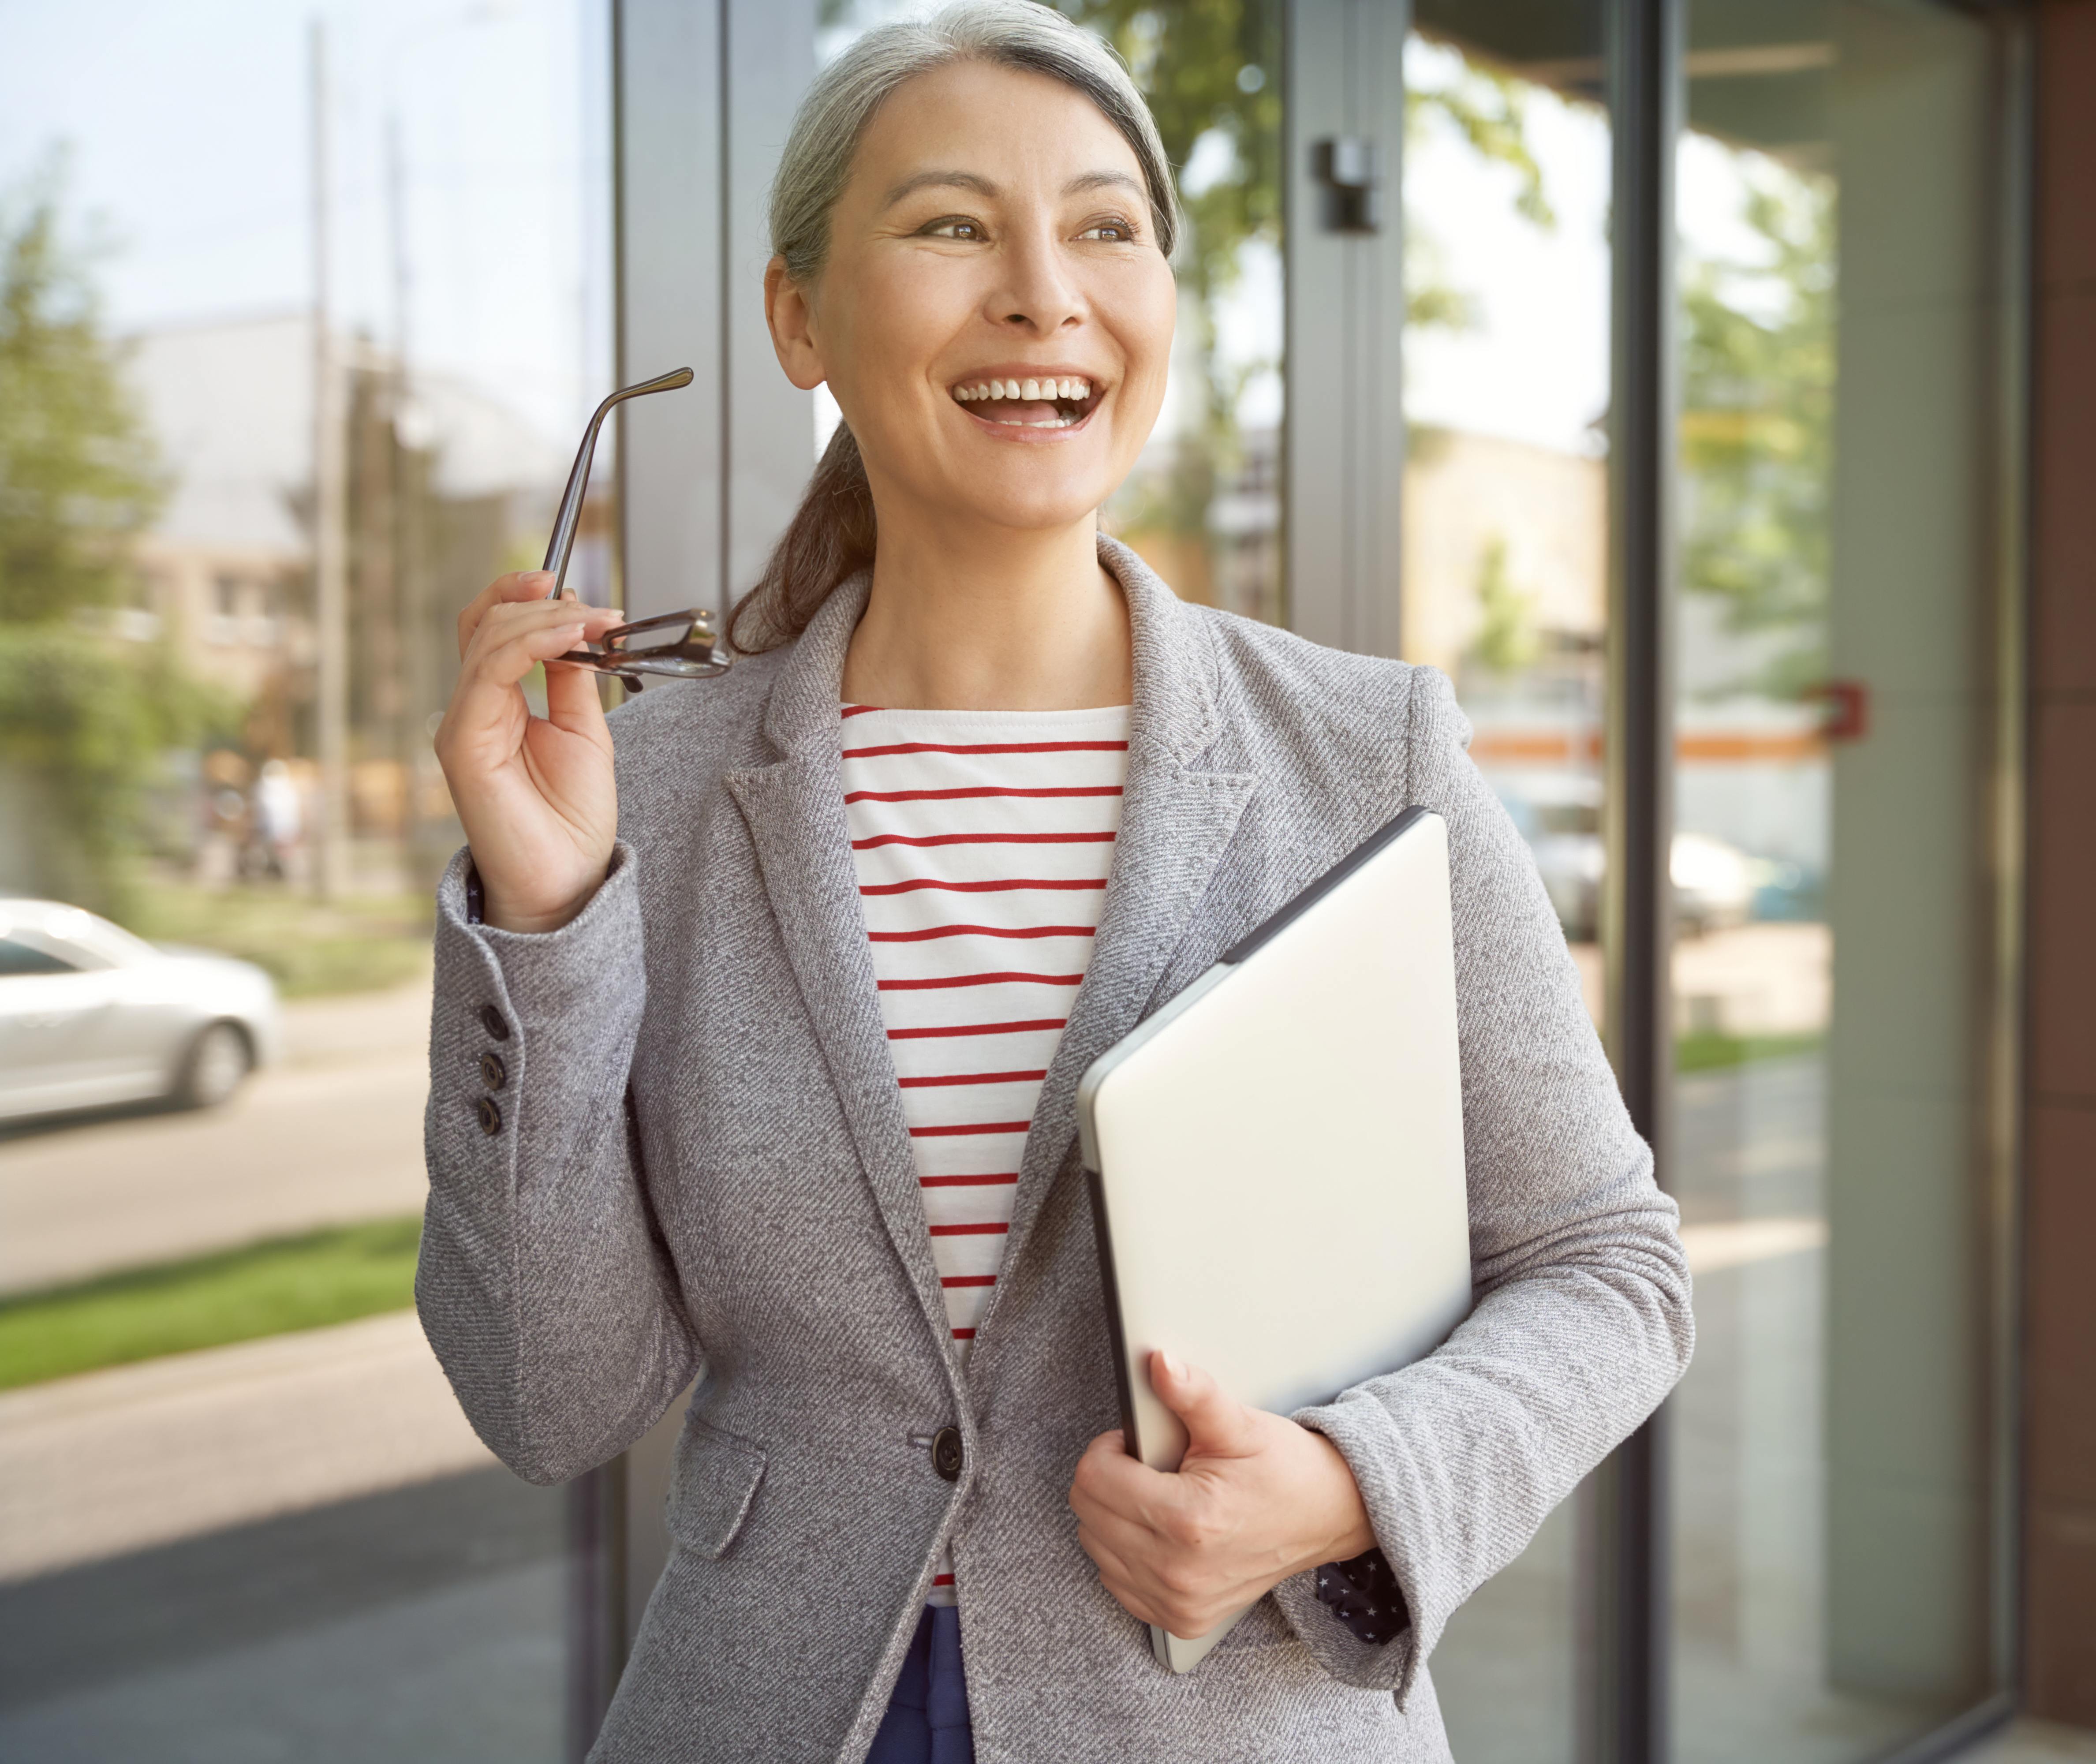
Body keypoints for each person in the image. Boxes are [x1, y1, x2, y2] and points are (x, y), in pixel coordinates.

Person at [420, 5, 1689, 1759]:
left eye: (1105, 227)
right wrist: (547, 923)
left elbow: (1609, 1266)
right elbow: (552, 1398)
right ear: (801, 316)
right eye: (951, 225)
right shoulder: (644, 787)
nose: (1042, 291)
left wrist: (1345, 1483)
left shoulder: (1366, 755)